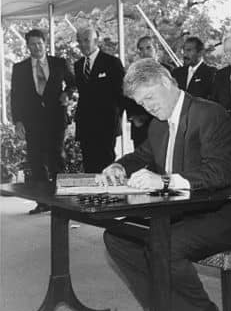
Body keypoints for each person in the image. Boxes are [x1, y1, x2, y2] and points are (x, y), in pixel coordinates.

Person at [100, 59, 231, 311]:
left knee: (165, 243)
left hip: (226, 208)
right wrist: (119, 166)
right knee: (117, 238)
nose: (146, 107)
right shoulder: (158, 125)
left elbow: (218, 172)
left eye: (149, 98)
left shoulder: (209, 114)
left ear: (166, 82)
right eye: (140, 102)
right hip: (184, 207)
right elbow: (143, 155)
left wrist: (165, 181)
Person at [10, 29, 75, 214]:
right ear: (27, 46)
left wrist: (67, 93)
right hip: (32, 122)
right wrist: (18, 122)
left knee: (57, 158)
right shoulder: (19, 68)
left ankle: (62, 201)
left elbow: (73, 83)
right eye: (32, 44)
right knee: (36, 160)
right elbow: (15, 97)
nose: (36, 47)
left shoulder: (59, 63)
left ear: (45, 44)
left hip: (55, 119)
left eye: (39, 43)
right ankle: (42, 202)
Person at [73, 27, 126, 173]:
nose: (82, 44)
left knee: (105, 166)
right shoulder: (78, 66)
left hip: (106, 126)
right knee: (89, 166)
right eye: (79, 41)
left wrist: (117, 119)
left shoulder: (112, 62)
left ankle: (109, 195)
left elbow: (121, 94)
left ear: (96, 41)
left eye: (86, 40)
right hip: (85, 126)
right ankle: (91, 196)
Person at [127, 36, 170, 147]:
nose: (144, 52)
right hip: (140, 128)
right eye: (141, 49)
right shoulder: (132, 73)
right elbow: (126, 97)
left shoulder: (169, 71)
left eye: (148, 48)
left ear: (156, 48)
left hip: (163, 128)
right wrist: (133, 116)